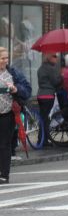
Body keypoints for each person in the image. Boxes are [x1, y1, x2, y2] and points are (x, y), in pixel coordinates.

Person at [0, 47, 31, 184]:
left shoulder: (13, 73)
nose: (5, 61)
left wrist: (16, 89)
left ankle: (4, 175)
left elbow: (27, 90)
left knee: (4, 144)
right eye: (2, 58)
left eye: (7, 58)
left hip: (7, 113)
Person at [36, 52, 63, 146]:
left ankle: (43, 139)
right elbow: (55, 82)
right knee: (45, 119)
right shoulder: (50, 69)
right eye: (54, 56)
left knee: (44, 118)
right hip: (48, 96)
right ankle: (42, 140)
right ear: (49, 57)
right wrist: (62, 76)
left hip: (40, 95)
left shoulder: (41, 68)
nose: (56, 58)